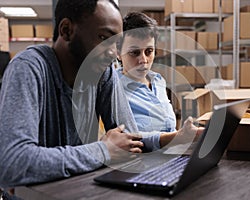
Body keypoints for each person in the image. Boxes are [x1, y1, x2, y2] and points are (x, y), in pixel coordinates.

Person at [0, 0, 144, 190]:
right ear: (66, 30)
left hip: (80, 191)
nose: (112, 53)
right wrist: (103, 151)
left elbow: (130, 142)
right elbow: (13, 164)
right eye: (103, 37)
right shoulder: (28, 67)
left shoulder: (103, 72)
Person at [116, 12, 204, 149]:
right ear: (118, 53)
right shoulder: (114, 88)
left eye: (149, 51)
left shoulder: (158, 81)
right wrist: (179, 137)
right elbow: (129, 140)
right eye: (134, 52)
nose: (143, 60)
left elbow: (168, 129)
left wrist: (187, 134)